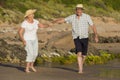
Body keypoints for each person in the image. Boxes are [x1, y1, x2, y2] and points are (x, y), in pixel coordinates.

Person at [52, 4, 99, 74]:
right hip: (76, 37)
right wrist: (54, 22)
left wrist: (96, 35)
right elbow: (63, 20)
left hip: (85, 37)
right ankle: (80, 70)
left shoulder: (87, 17)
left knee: (84, 55)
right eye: (78, 9)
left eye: (80, 9)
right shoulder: (72, 17)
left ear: (82, 10)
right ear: (76, 10)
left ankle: (81, 64)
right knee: (79, 53)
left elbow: (92, 26)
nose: (79, 11)